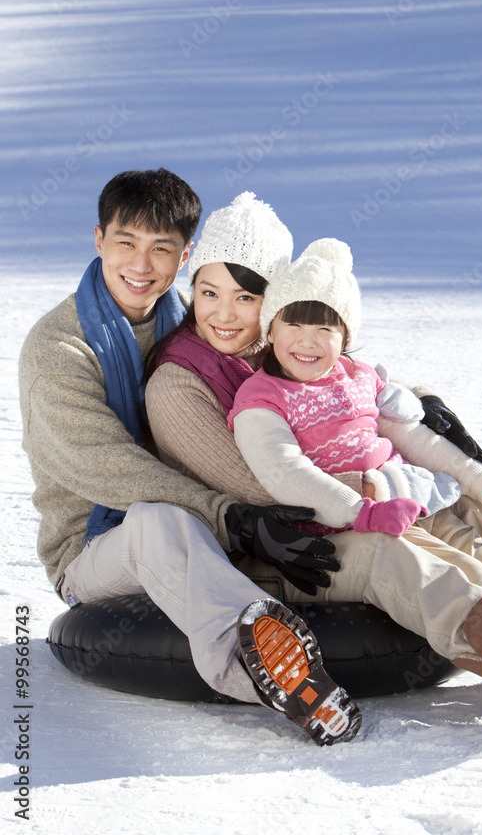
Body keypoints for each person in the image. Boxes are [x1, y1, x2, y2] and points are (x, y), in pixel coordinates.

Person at [146, 205, 482, 733]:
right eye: (208, 293)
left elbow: (355, 390)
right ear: (190, 289)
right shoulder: (183, 383)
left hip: (359, 507)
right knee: (425, 551)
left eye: (246, 297)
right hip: (284, 543)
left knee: (473, 510)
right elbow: (265, 484)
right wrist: (379, 487)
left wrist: (426, 413)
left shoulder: (272, 345)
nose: (225, 314)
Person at [19, 170, 362, 746]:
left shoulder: (194, 317)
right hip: (96, 547)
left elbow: (301, 351)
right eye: (126, 243)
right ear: (98, 239)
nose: (141, 264)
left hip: (204, 528)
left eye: (162, 249)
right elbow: (107, 467)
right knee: (160, 520)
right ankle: (270, 673)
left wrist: (420, 401)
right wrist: (229, 514)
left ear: (184, 258)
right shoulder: (59, 350)